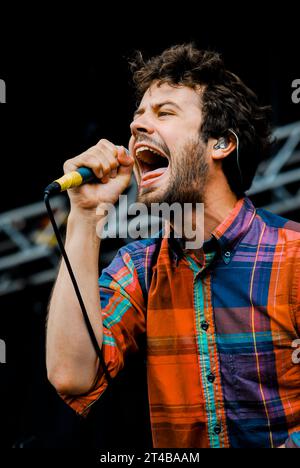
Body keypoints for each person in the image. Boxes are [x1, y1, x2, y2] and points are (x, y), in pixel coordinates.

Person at [46, 44, 300, 448]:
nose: (137, 126)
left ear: (220, 144)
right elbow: (72, 374)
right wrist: (84, 216)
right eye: (138, 115)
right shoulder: (141, 266)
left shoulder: (294, 255)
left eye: (164, 113)